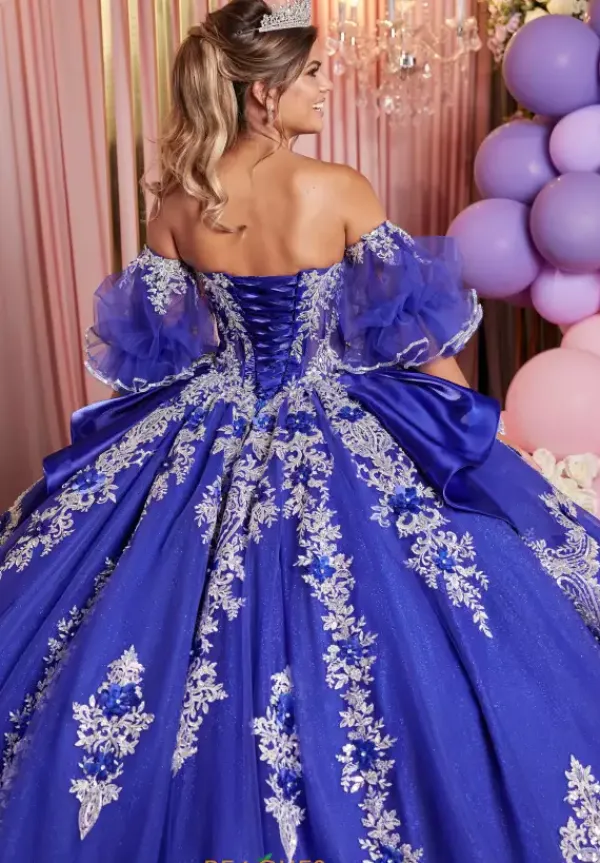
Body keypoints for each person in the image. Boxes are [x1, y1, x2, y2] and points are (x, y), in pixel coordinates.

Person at [1, 0, 600, 860]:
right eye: (311, 73)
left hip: (211, 414)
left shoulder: (178, 203)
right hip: (333, 414)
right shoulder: (337, 188)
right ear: (263, 92)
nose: (325, 88)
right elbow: (414, 333)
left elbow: (154, 355)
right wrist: (477, 432)